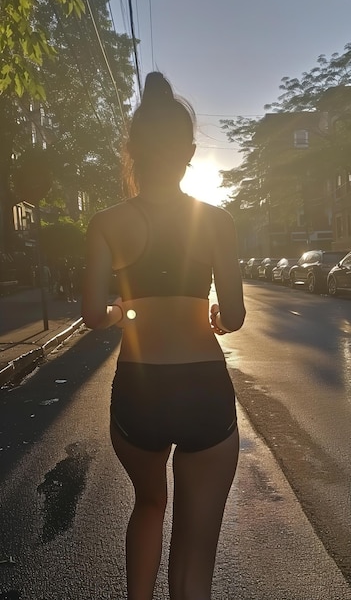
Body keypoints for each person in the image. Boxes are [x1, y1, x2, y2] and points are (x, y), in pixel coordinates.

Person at [82, 72, 246, 600]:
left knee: (149, 504)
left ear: (131, 151)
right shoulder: (218, 222)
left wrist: (118, 312)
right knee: (195, 556)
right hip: (205, 389)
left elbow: (92, 314)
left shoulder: (106, 222)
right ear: (190, 151)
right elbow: (237, 316)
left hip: (139, 392)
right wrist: (218, 314)